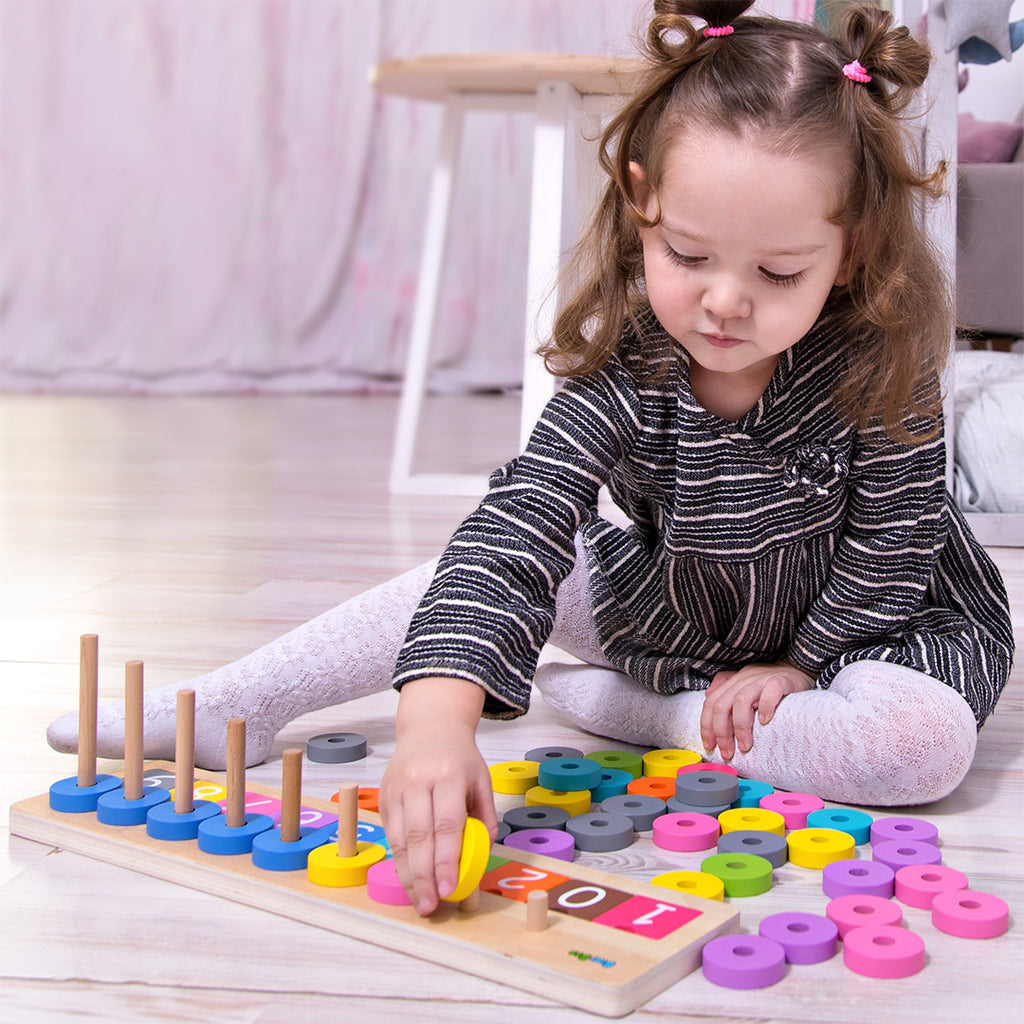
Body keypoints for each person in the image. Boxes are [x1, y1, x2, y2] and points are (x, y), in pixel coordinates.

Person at [47, 0, 1013, 920]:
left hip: (866, 625)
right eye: (688, 253)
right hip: (693, 599)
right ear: (642, 206)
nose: (724, 303)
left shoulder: (881, 361)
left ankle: (652, 713)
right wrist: (433, 721)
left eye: (777, 273)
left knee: (916, 751)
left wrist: (800, 666)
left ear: (850, 252)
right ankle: (239, 704)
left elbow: (895, 540)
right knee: (507, 565)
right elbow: (522, 523)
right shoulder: (631, 360)